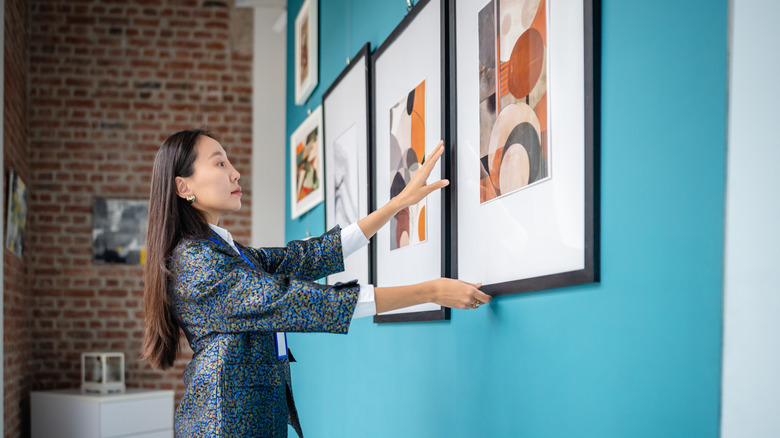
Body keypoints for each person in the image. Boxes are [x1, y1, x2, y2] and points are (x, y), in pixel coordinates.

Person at [142, 129, 491, 437]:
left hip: (247, 417)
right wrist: (429, 292)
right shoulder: (196, 261)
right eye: (219, 164)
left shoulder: (225, 250)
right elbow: (294, 301)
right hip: (223, 422)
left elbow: (306, 257)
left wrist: (397, 205)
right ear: (183, 186)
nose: (235, 172)